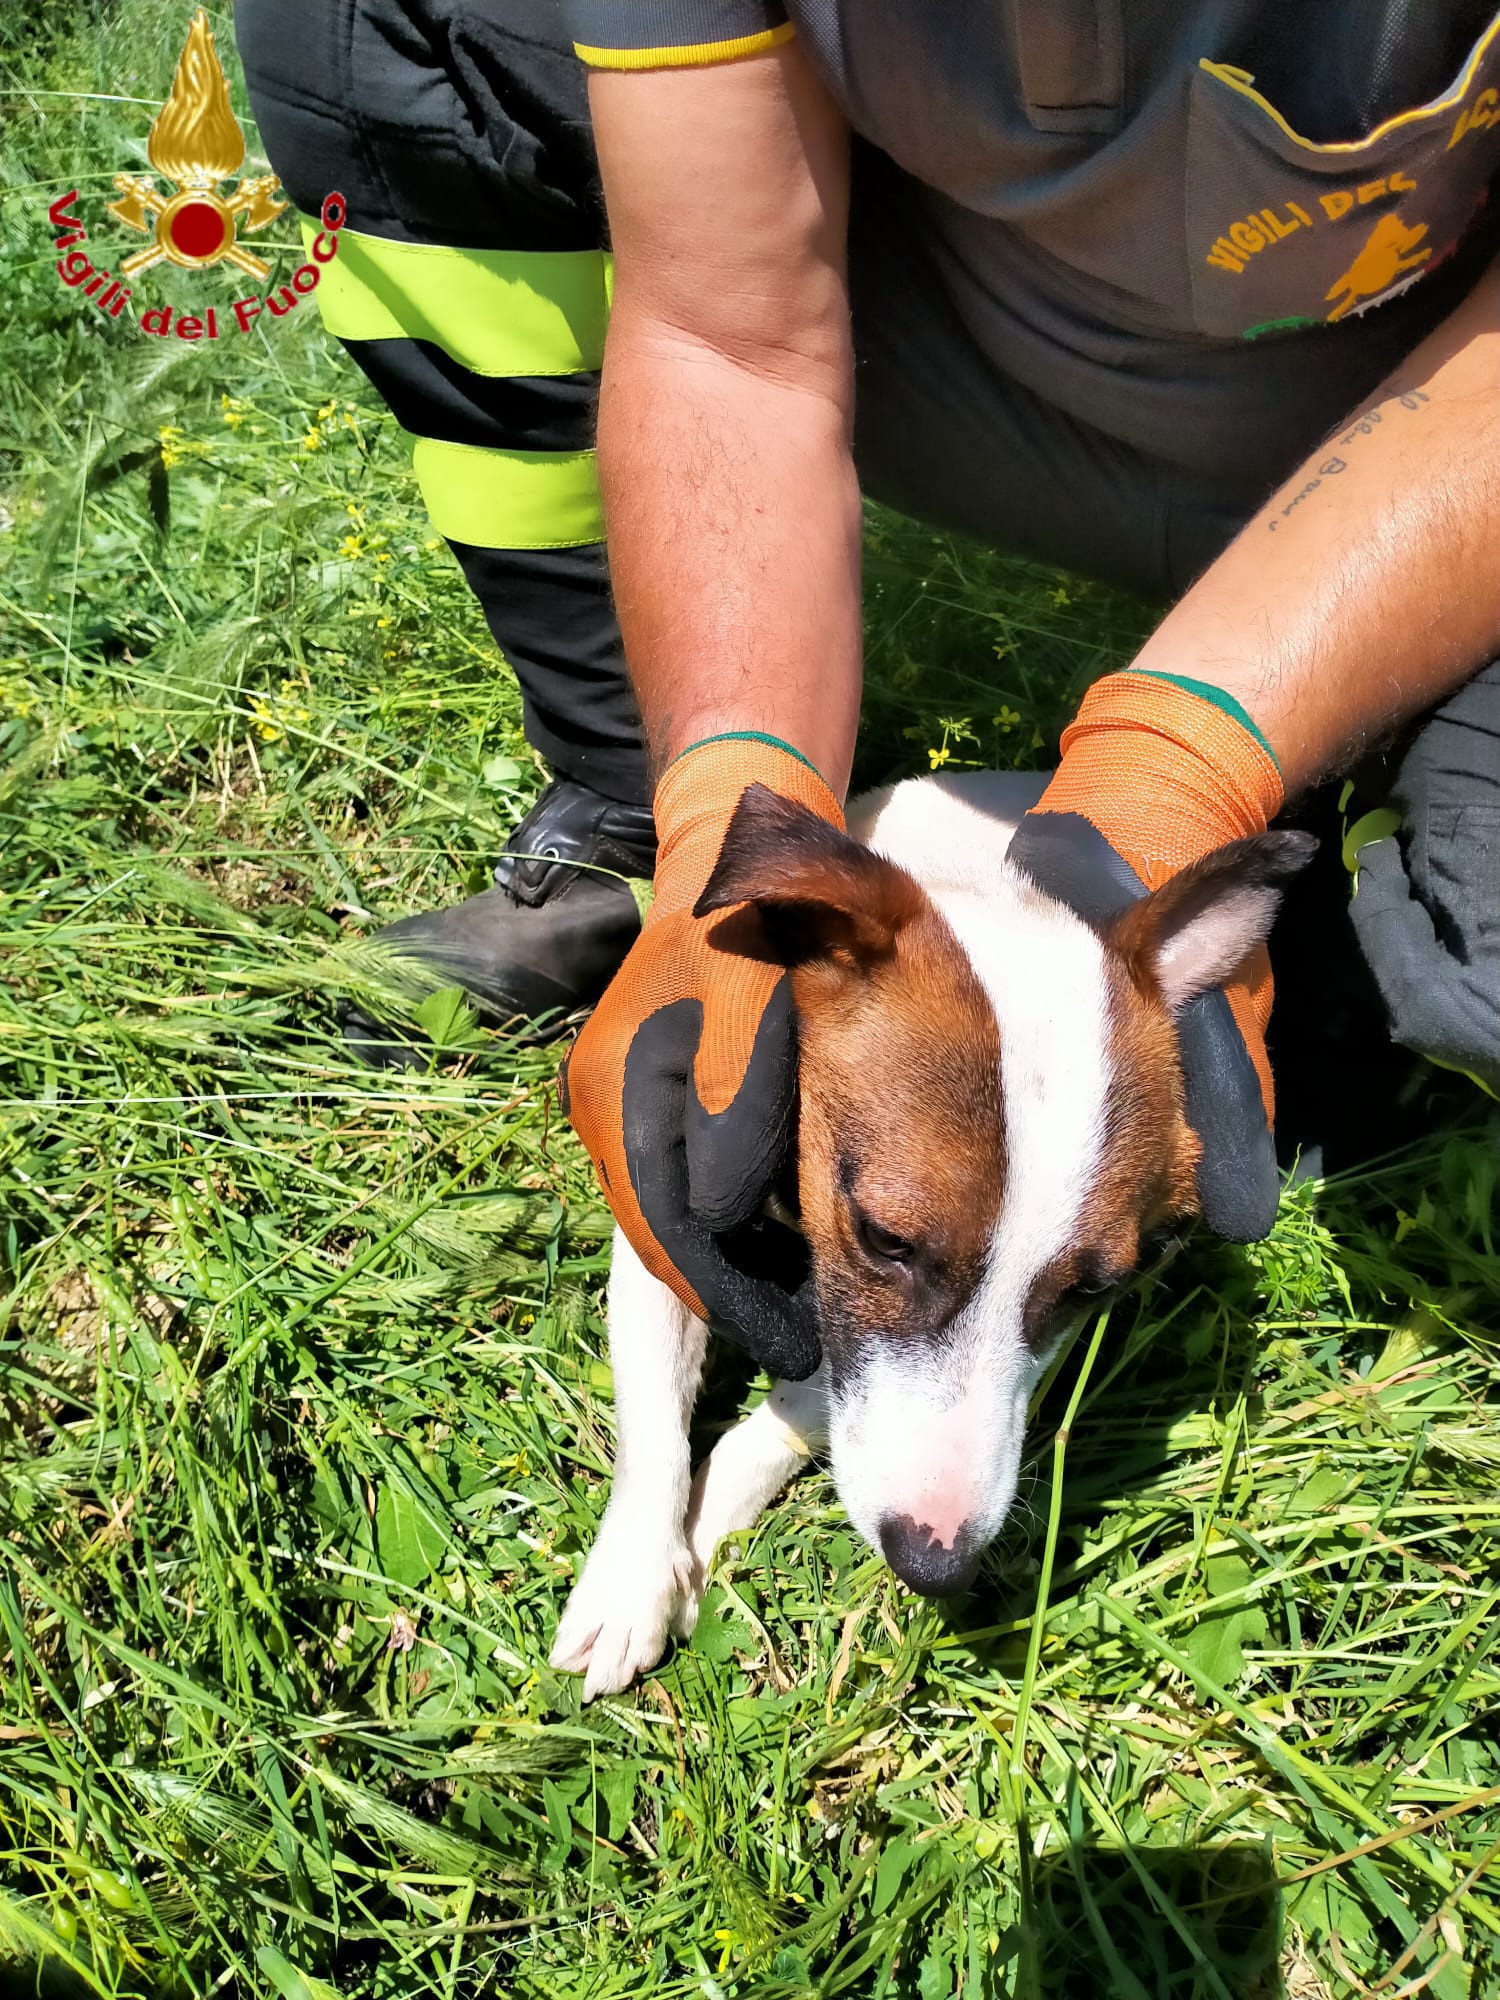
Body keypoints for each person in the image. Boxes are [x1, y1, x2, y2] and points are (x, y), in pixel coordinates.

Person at [237, 0, 1500, 1377]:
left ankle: (1316, 916)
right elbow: (734, 334)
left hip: (1432, 436)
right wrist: (725, 797)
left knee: (1480, 967)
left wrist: (1184, 765)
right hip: (990, 345)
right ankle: (628, 806)